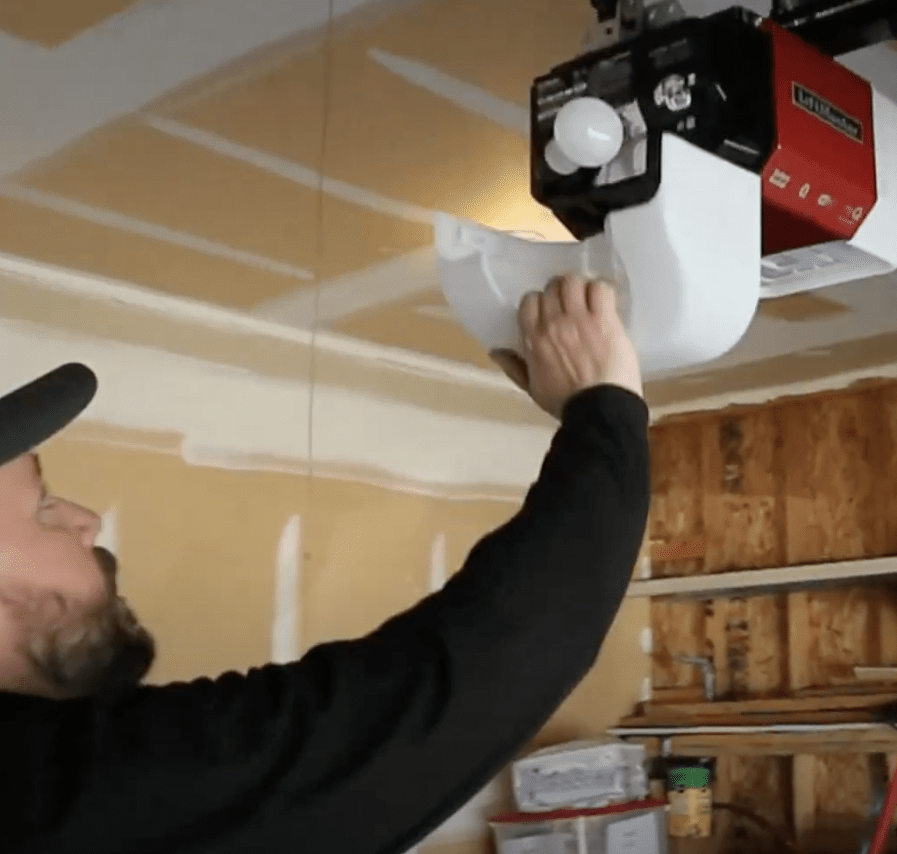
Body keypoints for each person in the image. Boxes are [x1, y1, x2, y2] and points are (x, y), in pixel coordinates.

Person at [0, 275, 652, 854]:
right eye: (42, 508)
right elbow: (455, 686)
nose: (84, 520)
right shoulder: (38, 793)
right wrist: (602, 410)